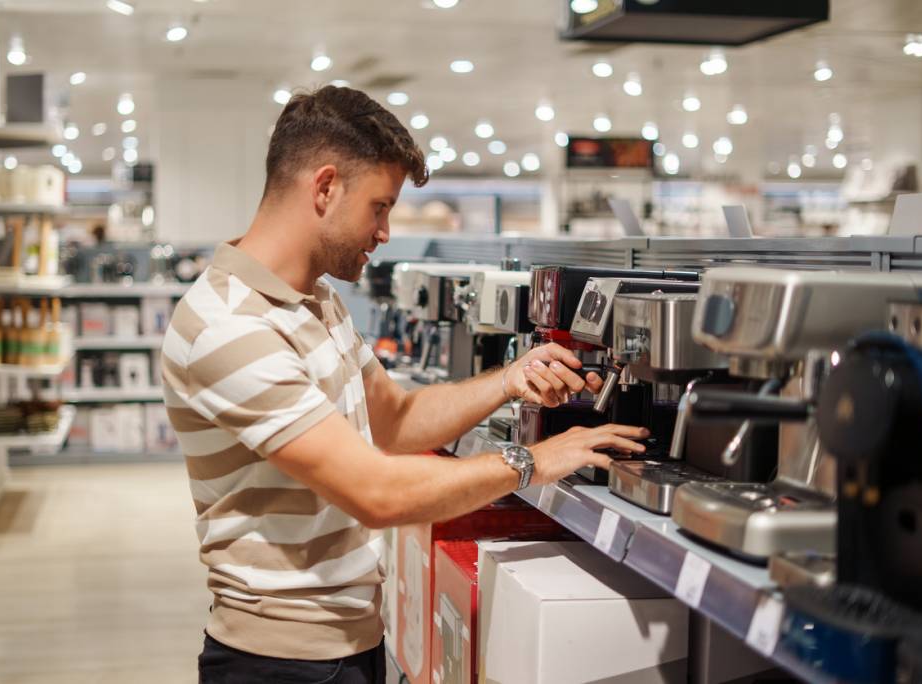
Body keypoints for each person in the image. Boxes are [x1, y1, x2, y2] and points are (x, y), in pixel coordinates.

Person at [161, 85, 649, 684]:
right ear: (325, 186)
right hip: (279, 664)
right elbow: (376, 492)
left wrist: (509, 381)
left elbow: (392, 420)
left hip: (349, 646)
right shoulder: (228, 325)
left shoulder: (316, 300)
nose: (386, 231)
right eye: (379, 206)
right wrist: (534, 460)